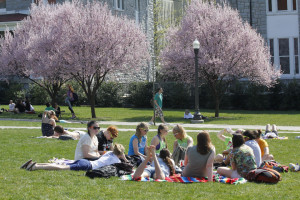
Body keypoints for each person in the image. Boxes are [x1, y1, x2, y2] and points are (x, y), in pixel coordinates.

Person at [22, 144, 128, 171]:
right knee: (62, 168)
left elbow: (115, 153)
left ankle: (35, 164)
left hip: (84, 161)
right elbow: (126, 164)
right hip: (88, 166)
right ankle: (35, 167)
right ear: (121, 153)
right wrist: (124, 158)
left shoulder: (109, 153)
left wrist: (121, 154)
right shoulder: (116, 160)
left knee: (61, 164)